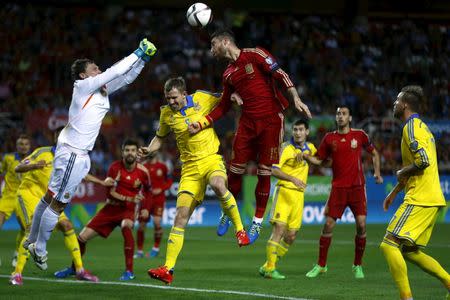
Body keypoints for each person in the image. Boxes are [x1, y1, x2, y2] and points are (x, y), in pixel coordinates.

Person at [25, 38, 157, 269]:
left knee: (49, 197)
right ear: (84, 76)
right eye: (94, 68)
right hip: (73, 153)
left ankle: (31, 239)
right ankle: (41, 248)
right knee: (58, 203)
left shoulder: (100, 90)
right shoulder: (83, 86)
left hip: (76, 152)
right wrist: (138, 51)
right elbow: (116, 70)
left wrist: (143, 60)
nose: (99, 70)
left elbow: (125, 77)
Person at [188, 28, 311, 244]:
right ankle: (229, 210)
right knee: (234, 172)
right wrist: (202, 122)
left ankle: (256, 221)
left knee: (264, 173)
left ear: (225, 42)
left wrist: (296, 98)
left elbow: (280, 74)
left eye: (213, 45)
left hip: (272, 122)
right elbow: (223, 106)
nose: (211, 50)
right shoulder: (227, 74)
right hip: (246, 124)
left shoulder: (255, 54)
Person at [143, 77, 250, 284]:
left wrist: (235, 96)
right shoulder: (166, 113)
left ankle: (240, 230)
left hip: (210, 159)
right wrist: (149, 149)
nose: (171, 102)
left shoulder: (202, 97)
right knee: (180, 217)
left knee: (219, 185)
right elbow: (160, 138)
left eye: (174, 98)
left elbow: (224, 98)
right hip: (189, 170)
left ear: (184, 94)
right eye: (168, 98)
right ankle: (168, 269)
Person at [380, 86, 449, 299]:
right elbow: (418, 164)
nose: (394, 104)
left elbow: (423, 162)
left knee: (388, 244)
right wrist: (395, 191)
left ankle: (406, 297)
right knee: (410, 252)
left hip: (420, 197)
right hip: (432, 197)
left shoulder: (410, 127)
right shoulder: (424, 128)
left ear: (405, 105)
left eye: (397, 100)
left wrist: (401, 171)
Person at [9, 127, 101, 285]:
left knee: (67, 225)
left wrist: (101, 182)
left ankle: (79, 270)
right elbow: (18, 168)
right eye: (59, 136)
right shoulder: (41, 152)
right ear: (54, 138)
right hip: (29, 195)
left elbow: (82, 174)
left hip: (50, 199)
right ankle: (16, 274)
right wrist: (35, 165)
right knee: (31, 229)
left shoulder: (70, 157)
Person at [304, 105, 383, 279]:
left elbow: (375, 153)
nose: (340, 116)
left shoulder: (360, 135)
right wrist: (306, 157)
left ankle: (357, 265)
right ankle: (321, 265)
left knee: (361, 225)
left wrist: (377, 173)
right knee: (328, 225)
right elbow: (320, 159)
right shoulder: (329, 138)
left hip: (357, 188)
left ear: (350, 118)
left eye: (344, 113)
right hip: (338, 188)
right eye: (338, 113)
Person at [54, 139, 150, 281]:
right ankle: (74, 268)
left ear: (137, 153)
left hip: (127, 210)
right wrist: (129, 198)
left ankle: (129, 271)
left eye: (133, 150)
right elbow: (110, 192)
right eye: (127, 150)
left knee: (126, 226)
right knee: (81, 237)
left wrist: (145, 208)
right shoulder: (114, 168)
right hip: (110, 209)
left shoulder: (143, 172)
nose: (130, 153)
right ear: (122, 152)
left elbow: (148, 191)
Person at [259, 119, 316, 280]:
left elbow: (323, 160)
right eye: (295, 129)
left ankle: (267, 265)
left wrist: (308, 156)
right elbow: (273, 170)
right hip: (284, 192)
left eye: (300, 130)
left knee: (291, 236)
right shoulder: (285, 148)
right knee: (279, 230)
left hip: (298, 196)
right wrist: (292, 179)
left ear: (307, 132)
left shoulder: (310, 148)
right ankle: (270, 268)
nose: (297, 132)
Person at [0, 134, 31, 267]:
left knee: (26, 228)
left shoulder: (33, 159)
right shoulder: (8, 158)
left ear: (29, 146)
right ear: (16, 146)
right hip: (8, 196)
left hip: (23, 198)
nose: (23, 147)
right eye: (20, 144)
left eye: (26, 144)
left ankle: (17, 252)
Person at [135, 153, 173, 258]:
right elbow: (138, 182)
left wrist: (162, 188)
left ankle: (155, 248)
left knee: (157, 223)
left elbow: (169, 181)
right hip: (145, 199)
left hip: (158, 200)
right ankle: (139, 251)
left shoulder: (162, 166)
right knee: (141, 226)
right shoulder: (143, 167)